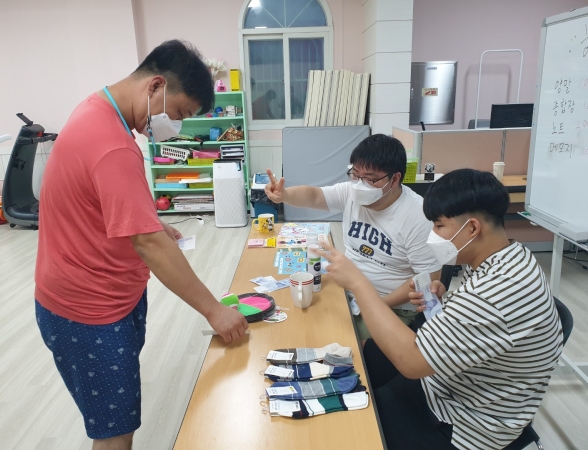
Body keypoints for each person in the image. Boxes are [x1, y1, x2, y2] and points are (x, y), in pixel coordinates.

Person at [34, 40, 248, 450]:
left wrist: (150, 222)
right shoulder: (114, 144)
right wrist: (215, 311)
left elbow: (99, 204)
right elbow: (148, 244)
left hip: (105, 296)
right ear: (155, 86)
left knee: (119, 417)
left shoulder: (95, 110)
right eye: (179, 113)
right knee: (115, 434)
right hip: (87, 311)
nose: (177, 125)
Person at [315, 168, 563, 450]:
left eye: (439, 226)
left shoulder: (493, 294)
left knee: (346, 420)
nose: (432, 235)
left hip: (460, 424)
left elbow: (412, 363)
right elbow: (480, 322)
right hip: (449, 385)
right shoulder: (510, 257)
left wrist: (359, 284)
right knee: (354, 363)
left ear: (472, 228)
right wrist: (447, 305)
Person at [264, 134, 441, 339]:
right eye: (355, 175)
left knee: (340, 342)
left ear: (394, 179)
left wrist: (374, 305)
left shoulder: (418, 216)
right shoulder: (351, 192)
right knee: (299, 323)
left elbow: (428, 277)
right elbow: (314, 196)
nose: (360, 185)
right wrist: (285, 195)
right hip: (348, 291)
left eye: (371, 179)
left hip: (391, 306)